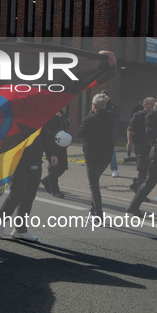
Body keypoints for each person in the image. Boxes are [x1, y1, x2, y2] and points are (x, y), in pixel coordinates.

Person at [0, 117, 58, 242]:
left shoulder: (39, 120)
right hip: (17, 161)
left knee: (29, 197)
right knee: (17, 194)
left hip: (36, 162)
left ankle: (20, 230)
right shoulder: (16, 118)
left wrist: (52, 154)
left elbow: (46, 138)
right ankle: (0, 219)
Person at [126, 92, 157, 219]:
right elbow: (150, 133)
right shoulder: (152, 116)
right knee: (149, 182)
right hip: (156, 153)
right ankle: (133, 206)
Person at [77, 93, 114, 221]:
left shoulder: (90, 119)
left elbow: (80, 133)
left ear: (94, 105)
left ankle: (98, 213)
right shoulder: (110, 117)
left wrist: (89, 116)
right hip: (106, 155)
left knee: (94, 186)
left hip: (92, 155)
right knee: (95, 183)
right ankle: (93, 210)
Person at [126, 97, 155, 201]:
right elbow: (130, 129)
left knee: (149, 170)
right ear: (145, 105)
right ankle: (141, 194)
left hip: (151, 146)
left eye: (153, 104)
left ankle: (135, 184)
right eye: (150, 104)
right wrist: (129, 142)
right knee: (143, 169)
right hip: (141, 145)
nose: (152, 106)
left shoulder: (154, 115)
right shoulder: (138, 115)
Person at [40, 110, 71, 199]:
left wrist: (61, 118)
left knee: (63, 166)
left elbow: (67, 123)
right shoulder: (48, 112)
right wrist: (56, 117)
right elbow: (47, 126)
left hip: (62, 143)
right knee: (53, 167)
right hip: (51, 143)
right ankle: (55, 190)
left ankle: (46, 180)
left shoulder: (62, 112)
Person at [101, 89, 120, 177]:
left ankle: (114, 169)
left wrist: (106, 113)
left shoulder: (111, 106)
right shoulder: (99, 106)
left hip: (108, 131)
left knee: (111, 151)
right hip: (99, 131)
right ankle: (99, 168)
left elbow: (116, 114)